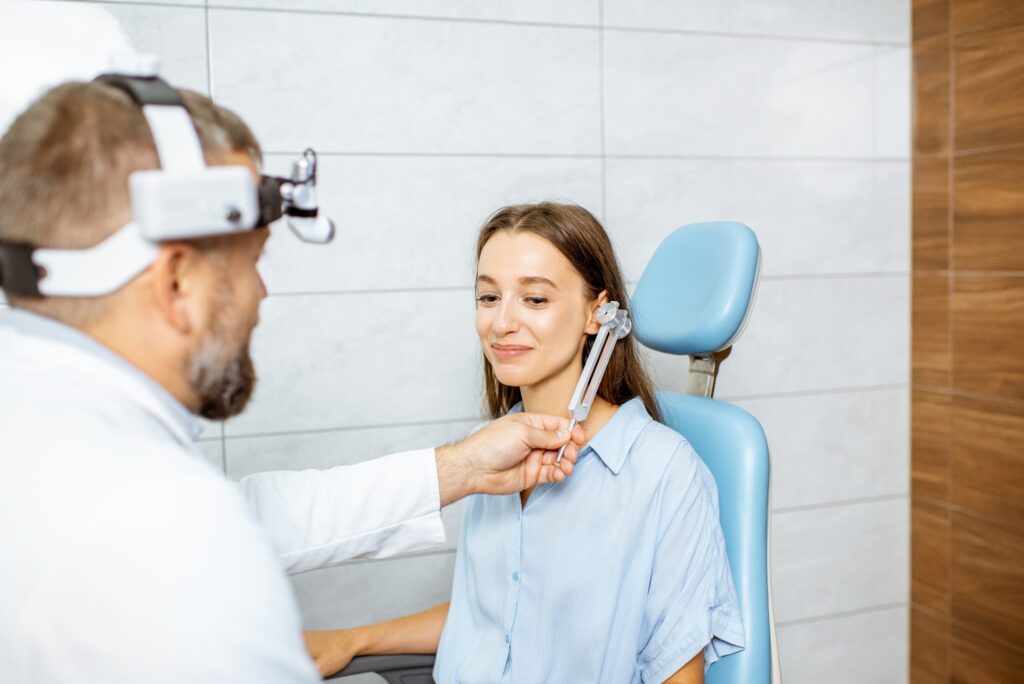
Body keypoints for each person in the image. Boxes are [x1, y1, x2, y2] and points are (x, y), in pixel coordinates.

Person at [0, 81, 582, 683]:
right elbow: (204, 531)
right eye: (253, 261)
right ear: (175, 284)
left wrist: (461, 468)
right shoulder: (163, 534)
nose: (261, 293)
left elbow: (247, 517)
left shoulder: (42, 436)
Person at [304, 203, 746, 683]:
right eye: (489, 297)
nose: (501, 323)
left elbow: (677, 671)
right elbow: (498, 616)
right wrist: (352, 640)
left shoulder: (663, 471)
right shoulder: (488, 451)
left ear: (598, 315)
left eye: (535, 300)